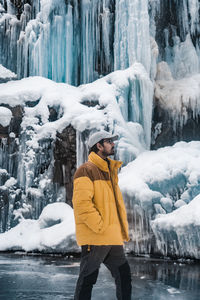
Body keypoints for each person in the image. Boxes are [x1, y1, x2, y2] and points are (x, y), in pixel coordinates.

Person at [72, 130, 132, 300]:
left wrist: (114, 230)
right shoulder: (86, 170)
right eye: (109, 141)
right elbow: (82, 205)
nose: (113, 144)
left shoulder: (110, 170)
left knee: (124, 277)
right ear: (98, 146)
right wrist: (100, 226)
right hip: (96, 237)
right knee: (87, 279)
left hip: (112, 238)